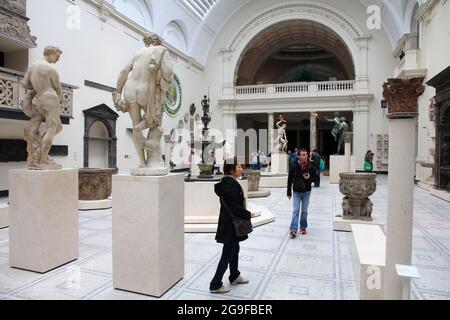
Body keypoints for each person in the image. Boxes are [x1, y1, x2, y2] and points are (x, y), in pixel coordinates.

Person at [113, 32, 173, 170]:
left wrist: (117, 92)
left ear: (146, 42)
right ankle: (153, 161)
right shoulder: (161, 50)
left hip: (130, 89)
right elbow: (168, 73)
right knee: (155, 123)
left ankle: (141, 162)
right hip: (147, 90)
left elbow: (123, 72)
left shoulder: (137, 53)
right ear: (158, 41)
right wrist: (162, 83)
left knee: (136, 127)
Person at [210, 159, 256, 293]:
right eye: (238, 166)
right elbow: (235, 208)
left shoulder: (227, 184)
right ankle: (215, 284)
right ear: (231, 170)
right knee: (227, 253)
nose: (241, 168)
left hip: (229, 223)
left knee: (235, 249)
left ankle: (234, 275)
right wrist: (248, 214)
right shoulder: (231, 186)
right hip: (231, 225)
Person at [21, 46, 64, 169]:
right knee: (52, 129)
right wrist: (59, 99)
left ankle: (40, 151)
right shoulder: (51, 69)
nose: (58, 59)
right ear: (50, 53)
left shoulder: (33, 67)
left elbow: (25, 84)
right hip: (50, 97)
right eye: (57, 56)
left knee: (58, 127)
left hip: (39, 98)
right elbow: (58, 89)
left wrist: (37, 85)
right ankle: (43, 159)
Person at [287, 149, 316, 238]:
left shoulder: (310, 166)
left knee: (304, 211)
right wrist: (288, 191)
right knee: (296, 210)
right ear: (299, 156)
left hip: (306, 191)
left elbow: (315, 178)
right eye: (303, 155)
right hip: (296, 191)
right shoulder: (294, 166)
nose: (305, 156)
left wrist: (309, 178)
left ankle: (303, 226)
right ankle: (293, 229)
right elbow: (290, 179)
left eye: (306, 154)